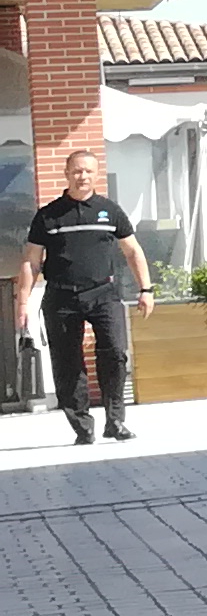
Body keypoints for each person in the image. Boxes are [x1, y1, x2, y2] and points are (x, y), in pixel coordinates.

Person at [16, 148, 155, 446]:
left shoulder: (110, 211)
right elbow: (31, 261)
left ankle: (115, 421)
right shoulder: (48, 215)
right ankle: (82, 427)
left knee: (115, 353)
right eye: (77, 171)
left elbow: (132, 251)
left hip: (104, 293)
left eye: (88, 171)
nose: (83, 176)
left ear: (96, 174)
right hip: (61, 296)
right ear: (67, 174)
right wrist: (23, 302)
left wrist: (145, 289)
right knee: (67, 363)